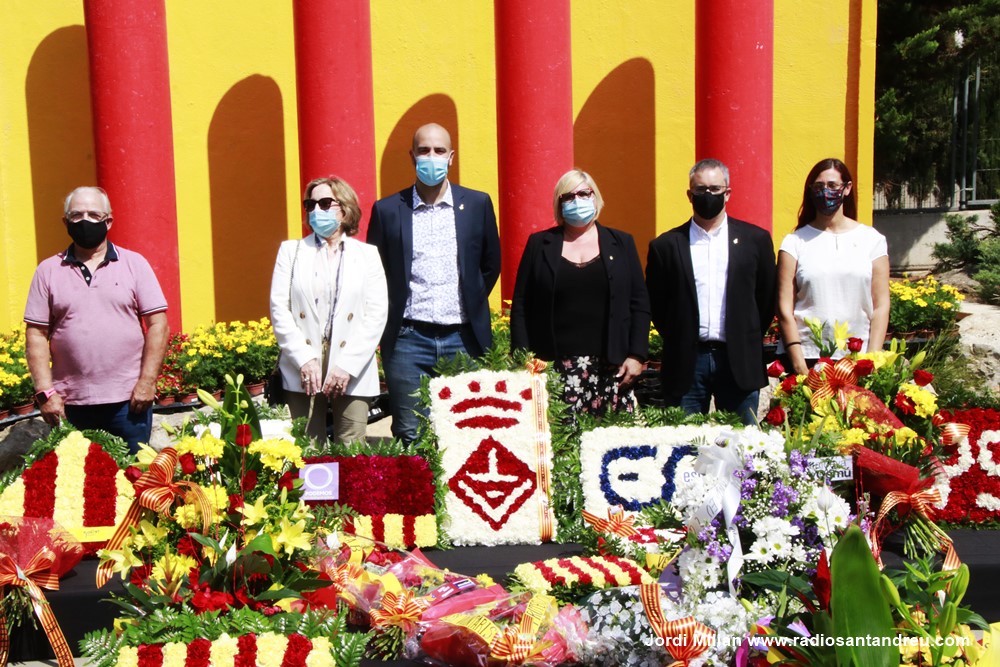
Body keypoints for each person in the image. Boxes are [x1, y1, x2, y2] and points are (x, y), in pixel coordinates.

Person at [367, 123, 501, 445]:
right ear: (412, 156)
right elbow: (375, 272)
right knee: (410, 434)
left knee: (469, 433)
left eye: (439, 151)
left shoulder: (477, 204)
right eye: (424, 150)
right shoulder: (388, 210)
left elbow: (490, 264)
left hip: (464, 340)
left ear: (451, 157)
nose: (431, 157)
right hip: (407, 341)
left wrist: (469, 301)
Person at [24, 186, 169, 452]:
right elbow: (36, 334)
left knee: (134, 473)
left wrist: (148, 382)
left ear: (108, 221)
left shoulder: (134, 264)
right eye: (76, 215)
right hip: (69, 405)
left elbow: (158, 324)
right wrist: (45, 393)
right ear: (65, 222)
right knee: (75, 477)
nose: (85, 221)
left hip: (129, 402)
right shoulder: (47, 271)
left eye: (93, 214)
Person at [646, 159, 776, 425]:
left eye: (715, 189)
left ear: (727, 193)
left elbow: (765, 299)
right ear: (689, 194)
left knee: (742, 444)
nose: (708, 195)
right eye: (701, 189)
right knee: (684, 444)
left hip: (738, 360)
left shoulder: (756, 240)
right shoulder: (666, 246)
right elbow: (657, 304)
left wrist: (745, 334)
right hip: (687, 363)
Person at [510, 169, 649, 415]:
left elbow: (639, 302)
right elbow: (521, 304)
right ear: (559, 204)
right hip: (553, 368)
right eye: (569, 197)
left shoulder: (622, 243)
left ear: (595, 197)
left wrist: (637, 355)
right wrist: (523, 358)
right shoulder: (539, 244)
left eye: (584, 194)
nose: (577, 201)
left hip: (611, 368)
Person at [270, 176, 388, 444]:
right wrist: (303, 359)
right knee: (307, 447)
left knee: (351, 446)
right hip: (303, 364)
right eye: (310, 205)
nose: (316, 210)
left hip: (352, 363)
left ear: (344, 208)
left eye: (325, 203)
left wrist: (347, 366)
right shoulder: (291, 251)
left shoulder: (367, 255)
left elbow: (376, 314)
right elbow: (279, 309)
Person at [776, 158, 890, 374]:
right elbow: (784, 308)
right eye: (819, 187)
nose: (825, 192)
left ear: (847, 188)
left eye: (832, 185)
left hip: (857, 356)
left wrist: (871, 360)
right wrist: (800, 365)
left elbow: (881, 305)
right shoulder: (794, 242)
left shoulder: (872, 240)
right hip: (808, 356)